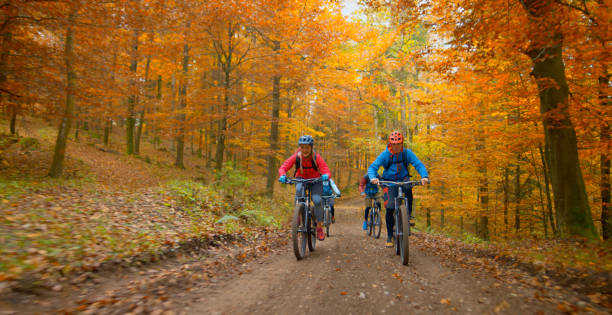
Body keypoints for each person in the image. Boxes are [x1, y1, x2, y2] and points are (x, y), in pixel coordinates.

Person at [368, 131, 429, 247]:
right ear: (390, 144)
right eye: (393, 144)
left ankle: (409, 215)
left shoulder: (407, 153)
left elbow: (418, 164)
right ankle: (390, 235)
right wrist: (373, 178)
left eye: (398, 144)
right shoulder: (385, 155)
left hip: (403, 178)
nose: (396, 146)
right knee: (390, 208)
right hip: (389, 182)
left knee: (409, 188)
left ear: (402, 144)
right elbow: (372, 167)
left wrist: (424, 176)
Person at [279, 135, 331, 241]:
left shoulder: (316, 157)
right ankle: (297, 215)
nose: (304, 150)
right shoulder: (296, 156)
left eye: (307, 147)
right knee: (298, 190)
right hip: (301, 179)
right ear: (300, 148)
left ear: (311, 147)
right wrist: (282, 175)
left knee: (317, 200)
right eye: (302, 147)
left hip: (315, 181)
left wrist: (326, 175)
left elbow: (326, 170)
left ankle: (319, 227)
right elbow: (284, 166)